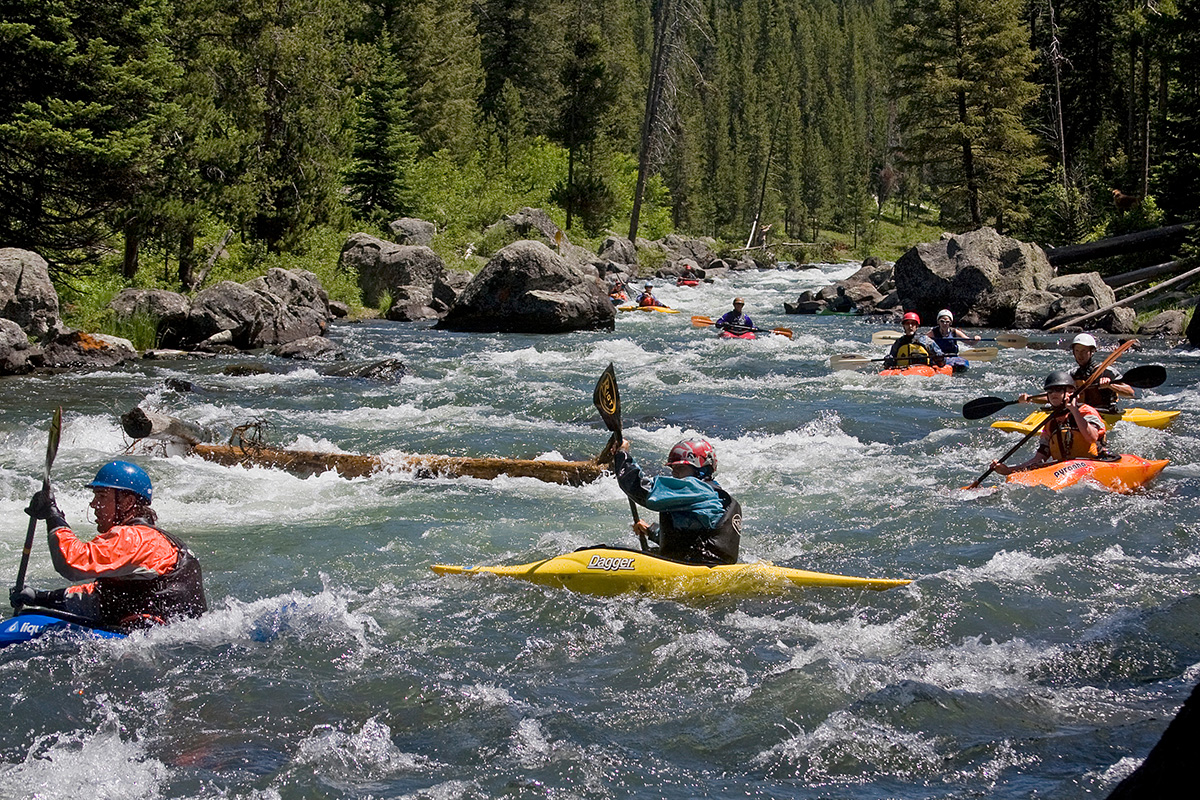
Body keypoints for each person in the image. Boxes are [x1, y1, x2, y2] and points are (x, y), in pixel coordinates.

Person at [11, 460, 207, 632]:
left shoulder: (136, 538)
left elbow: (72, 561)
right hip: (167, 636)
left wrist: (53, 515)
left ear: (128, 502)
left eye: (102, 496)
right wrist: (39, 597)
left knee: (29, 623)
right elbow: (102, 596)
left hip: (148, 643)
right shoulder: (154, 539)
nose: (94, 504)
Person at [613, 438, 741, 565]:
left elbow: (641, 488)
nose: (675, 473)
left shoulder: (695, 488)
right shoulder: (713, 493)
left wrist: (622, 454)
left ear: (700, 470)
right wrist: (651, 530)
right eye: (673, 468)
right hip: (705, 564)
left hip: (695, 566)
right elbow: (691, 538)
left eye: (681, 467)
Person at [991, 371, 1113, 475]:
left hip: (1095, 464)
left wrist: (1074, 411)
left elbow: (1092, 437)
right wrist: (1009, 470)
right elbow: (1039, 459)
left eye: (1059, 390)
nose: (1053, 393)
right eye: (1050, 391)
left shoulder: (1086, 412)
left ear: (1071, 392)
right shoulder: (1050, 423)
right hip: (1064, 471)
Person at [1016, 333, 1134, 411]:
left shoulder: (1106, 371)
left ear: (1092, 351)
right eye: (1077, 351)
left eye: (1083, 351)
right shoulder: (1072, 374)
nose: (1080, 355)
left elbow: (1130, 392)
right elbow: (1056, 397)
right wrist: (1030, 398)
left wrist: (1111, 385)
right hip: (1080, 413)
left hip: (1105, 412)